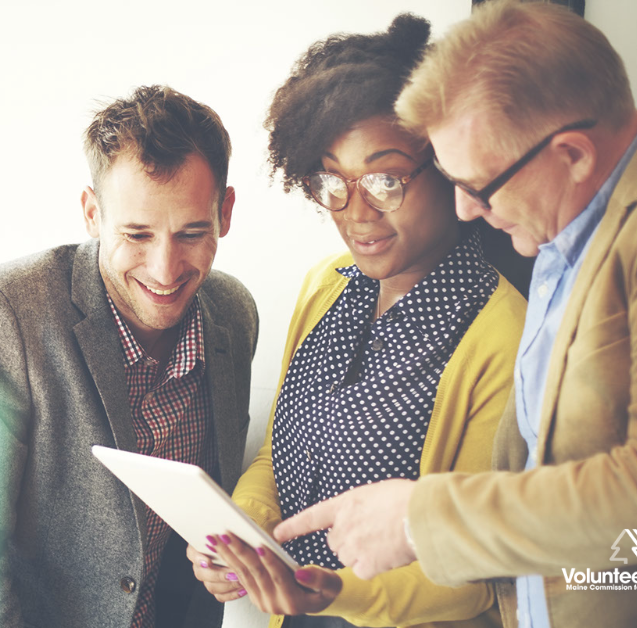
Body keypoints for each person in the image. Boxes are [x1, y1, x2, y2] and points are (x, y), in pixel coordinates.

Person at [274, 1, 637, 626]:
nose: (468, 210)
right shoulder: (569, 227)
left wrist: (420, 519)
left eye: (478, 186)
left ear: (573, 155)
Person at [186, 15, 526, 628]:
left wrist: (333, 595)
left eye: (385, 180)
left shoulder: (500, 334)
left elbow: (478, 570)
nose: (355, 212)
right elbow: (281, 455)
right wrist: (241, 531)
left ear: (446, 166)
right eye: (332, 183)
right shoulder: (327, 285)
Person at [0, 85, 258, 628]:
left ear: (225, 211)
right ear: (91, 212)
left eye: (192, 232)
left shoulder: (235, 316)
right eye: (137, 234)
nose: (165, 269)